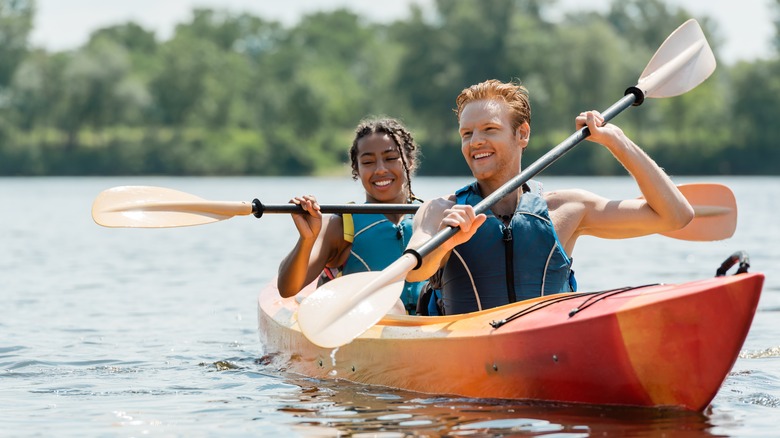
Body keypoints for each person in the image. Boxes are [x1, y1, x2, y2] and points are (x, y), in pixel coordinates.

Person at [406, 79, 694, 315]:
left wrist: (617, 141)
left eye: (489, 129)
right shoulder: (440, 210)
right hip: (467, 353)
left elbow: (676, 216)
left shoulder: (567, 208)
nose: (475, 141)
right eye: (466, 133)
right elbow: (414, 272)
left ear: (522, 134)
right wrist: (445, 244)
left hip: (549, 349)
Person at [277, 117, 426, 314]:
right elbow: (287, 289)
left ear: (410, 162)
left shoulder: (431, 216)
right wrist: (307, 239)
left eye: (390, 158)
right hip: (364, 325)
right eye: (368, 162)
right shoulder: (339, 226)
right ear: (357, 169)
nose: (380, 169)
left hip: (425, 322)